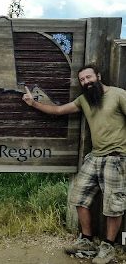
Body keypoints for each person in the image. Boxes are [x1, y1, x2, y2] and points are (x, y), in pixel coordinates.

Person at [22, 64, 126, 264]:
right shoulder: (84, 100)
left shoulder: (118, 95)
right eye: (82, 80)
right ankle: (87, 241)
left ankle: (108, 247)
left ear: (98, 76)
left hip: (117, 158)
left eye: (89, 77)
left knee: (114, 206)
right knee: (79, 197)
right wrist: (33, 104)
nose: (86, 82)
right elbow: (59, 110)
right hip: (95, 157)